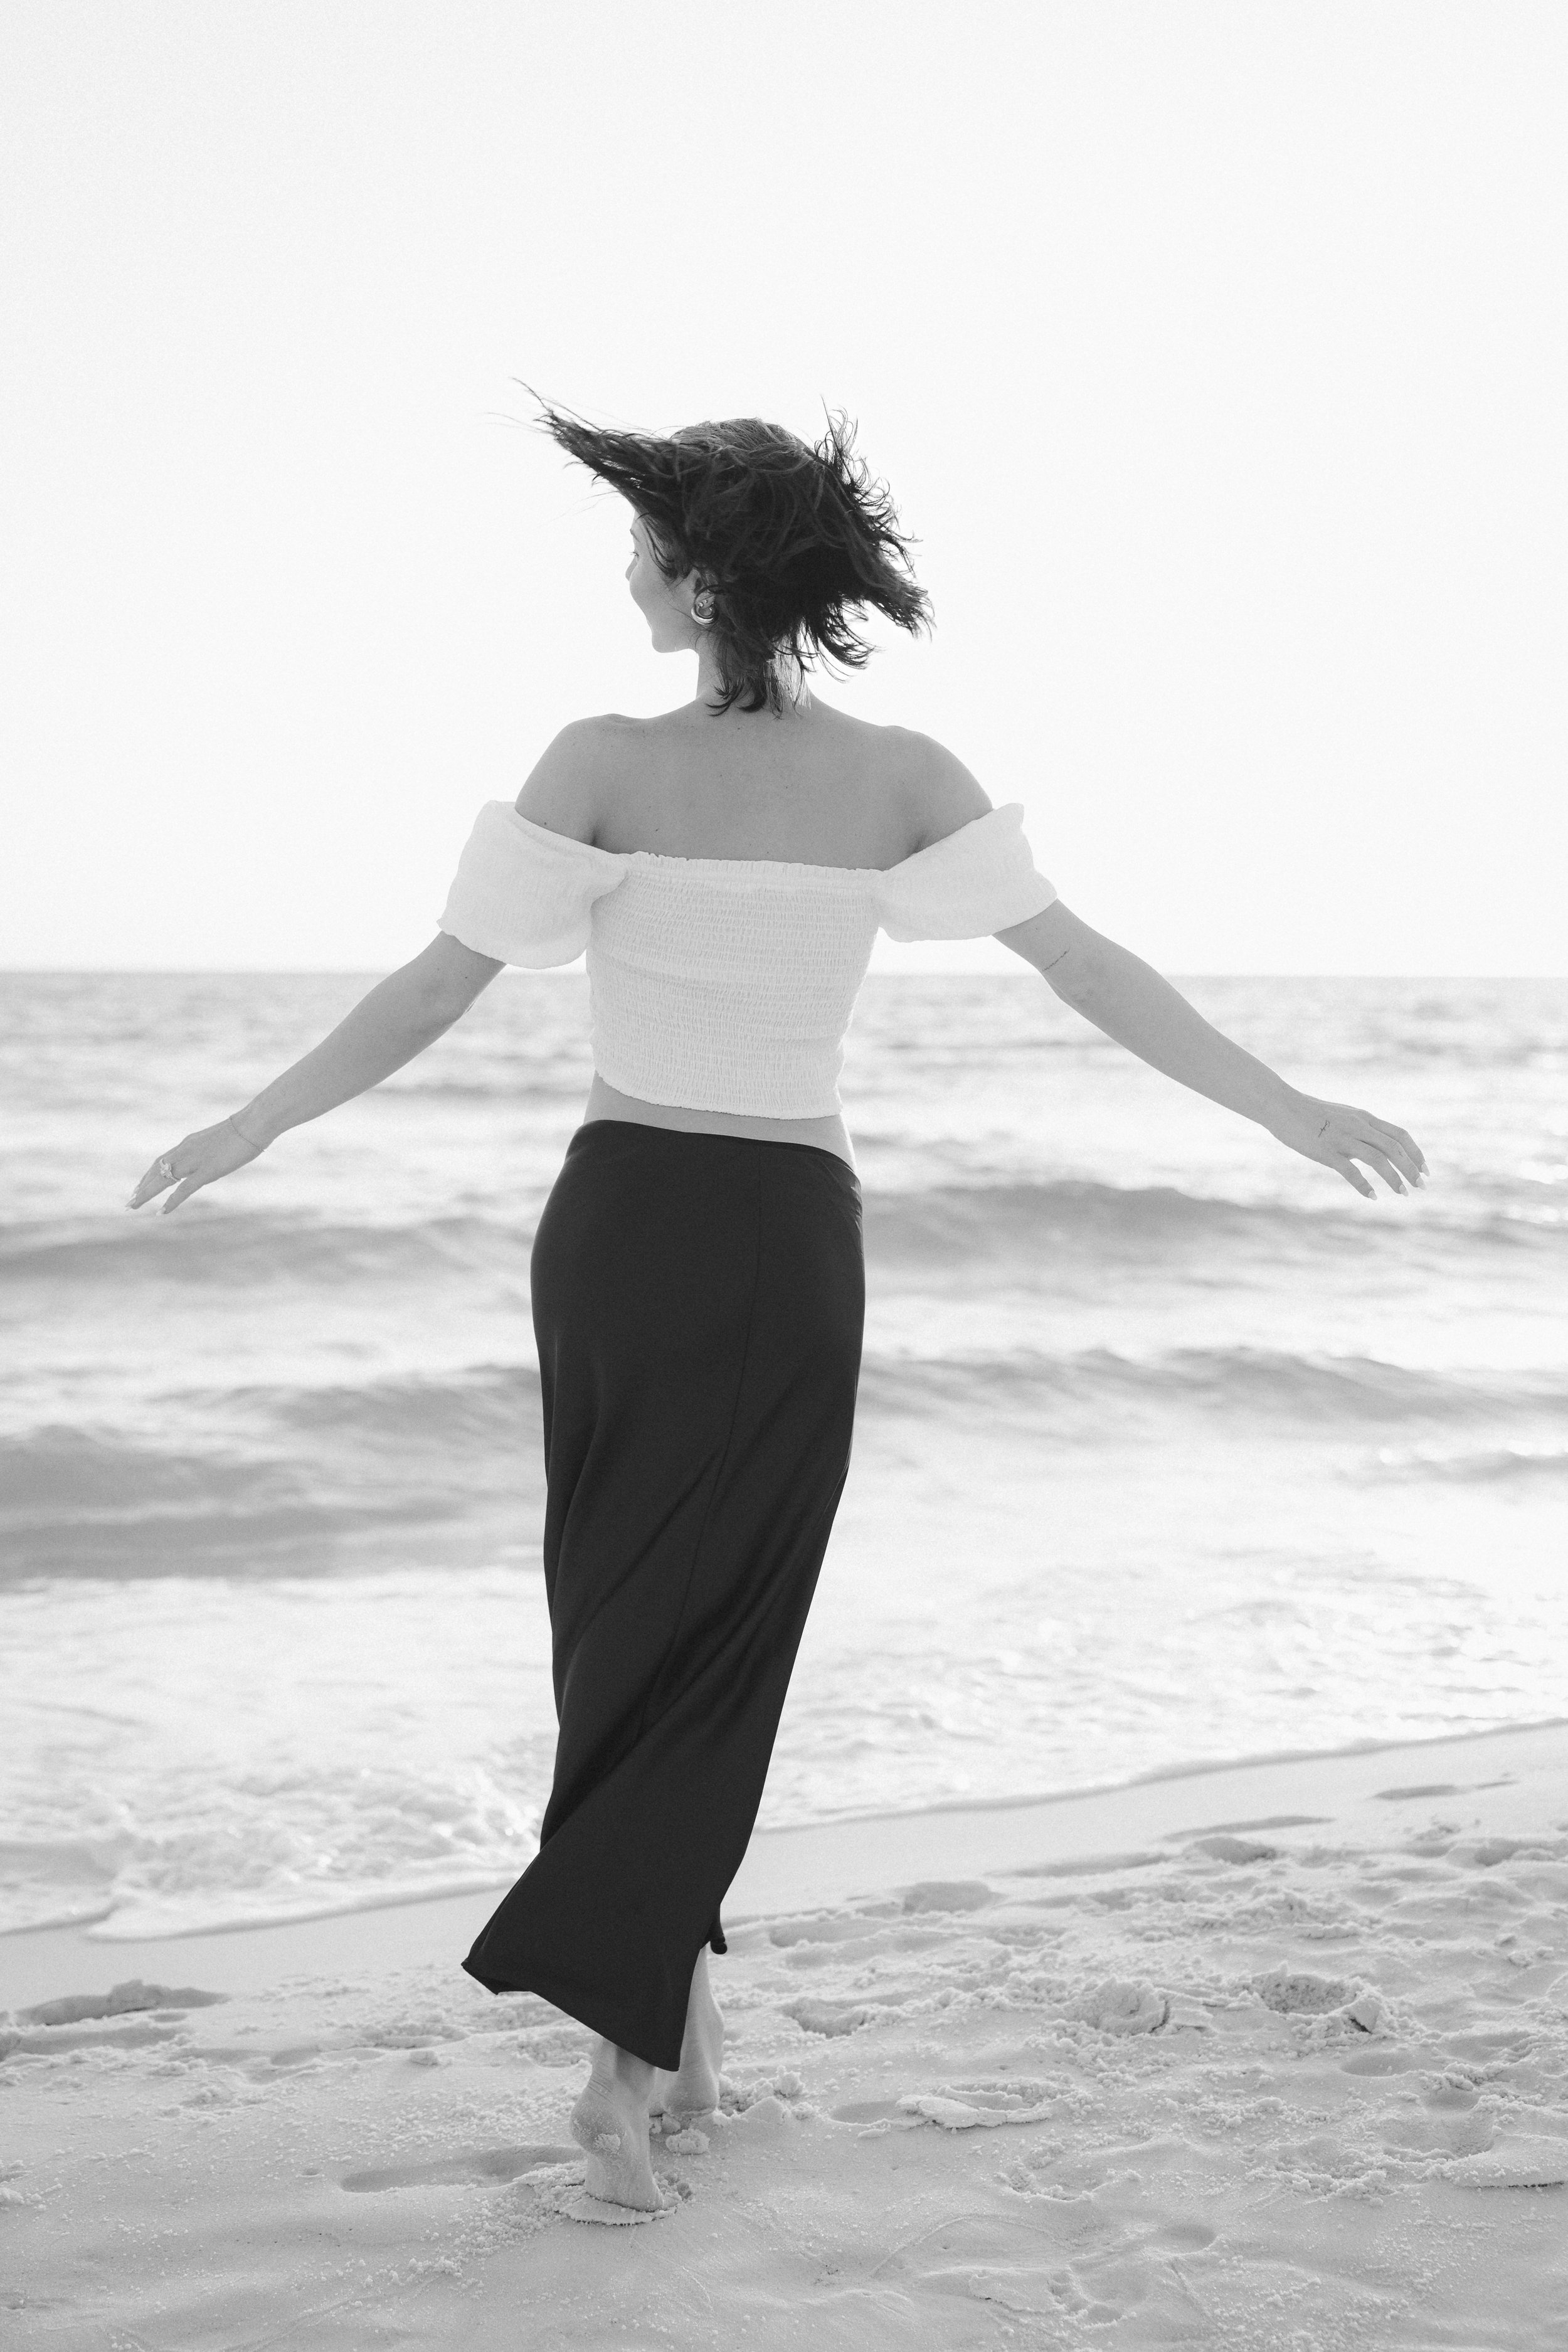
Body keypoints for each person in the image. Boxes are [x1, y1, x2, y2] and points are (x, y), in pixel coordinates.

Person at [130, 403, 1428, 2213]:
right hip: (787, 1233)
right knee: (721, 1632)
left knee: (621, 1627)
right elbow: (1081, 965)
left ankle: (631, 2065)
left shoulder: (598, 758)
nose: (631, 580)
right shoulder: (897, 775)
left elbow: (439, 990)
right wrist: (1284, 1108)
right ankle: (654, 2044)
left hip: (624, 1225)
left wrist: (255, 1121)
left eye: (647, 552)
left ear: (709, 573)